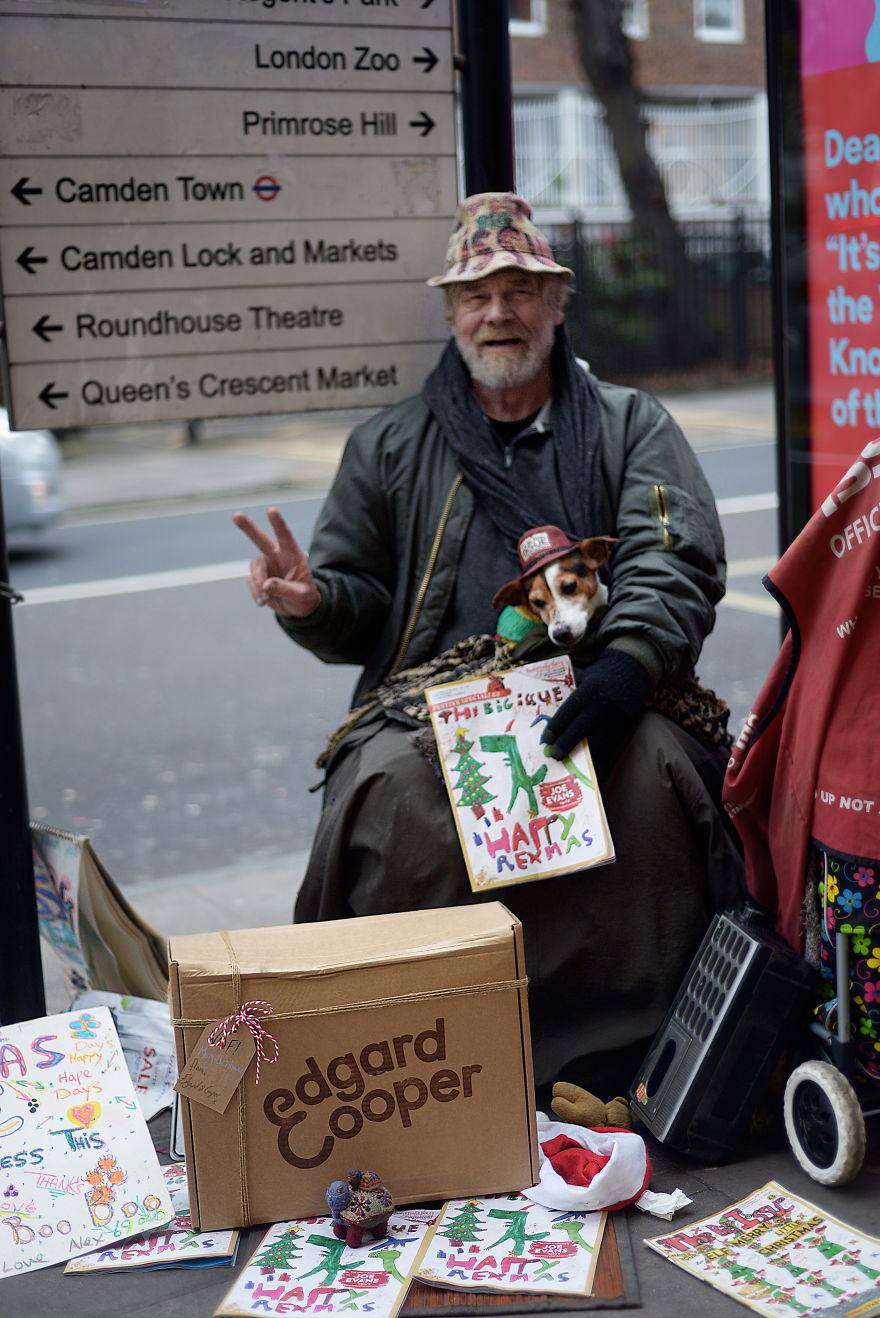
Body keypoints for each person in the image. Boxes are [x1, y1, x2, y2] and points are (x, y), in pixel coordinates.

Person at [234, 193, 744, 1101]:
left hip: (593, 679)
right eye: (476, 295)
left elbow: (675, 557)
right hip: (428, 700)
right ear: (450, 314)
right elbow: (357, 608)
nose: (497, 313)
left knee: (660, 777)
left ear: (558, 302)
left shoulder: (632, 425)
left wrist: (626, 669)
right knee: (389, 793)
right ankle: (408, 1059)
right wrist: (313, 601)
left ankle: (638, 1064)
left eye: (520, 291)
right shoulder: (389, 444)